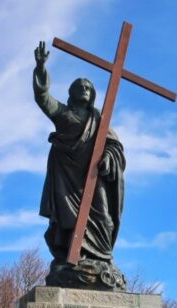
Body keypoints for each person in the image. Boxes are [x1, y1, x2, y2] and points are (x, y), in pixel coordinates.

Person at [33, 41, 127, 289]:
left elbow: (114, 146)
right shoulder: (64, 115)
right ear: (72, 92)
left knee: (105, 220)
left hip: (94, 177)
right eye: (80, 86)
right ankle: (71, 262)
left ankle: (101, 263)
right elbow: (43, 98)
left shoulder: (100, 120)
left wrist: (107, 158)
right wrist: (41, 68)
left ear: (92, 94)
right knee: (70, 224)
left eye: (88, 87)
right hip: (68, 180)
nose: (85, 89)